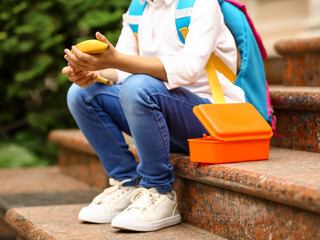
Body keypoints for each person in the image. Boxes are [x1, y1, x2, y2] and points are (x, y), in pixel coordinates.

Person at [62, 0, 244, 232]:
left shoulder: (201, 4)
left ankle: (159, 192)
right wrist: (92, 72)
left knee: (138, 86)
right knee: (82, 92)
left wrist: (116, 59)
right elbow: (121, 68)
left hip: (210, 118)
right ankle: (127, 184)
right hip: (160, 111)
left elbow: (188, 69)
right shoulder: (139, 8)